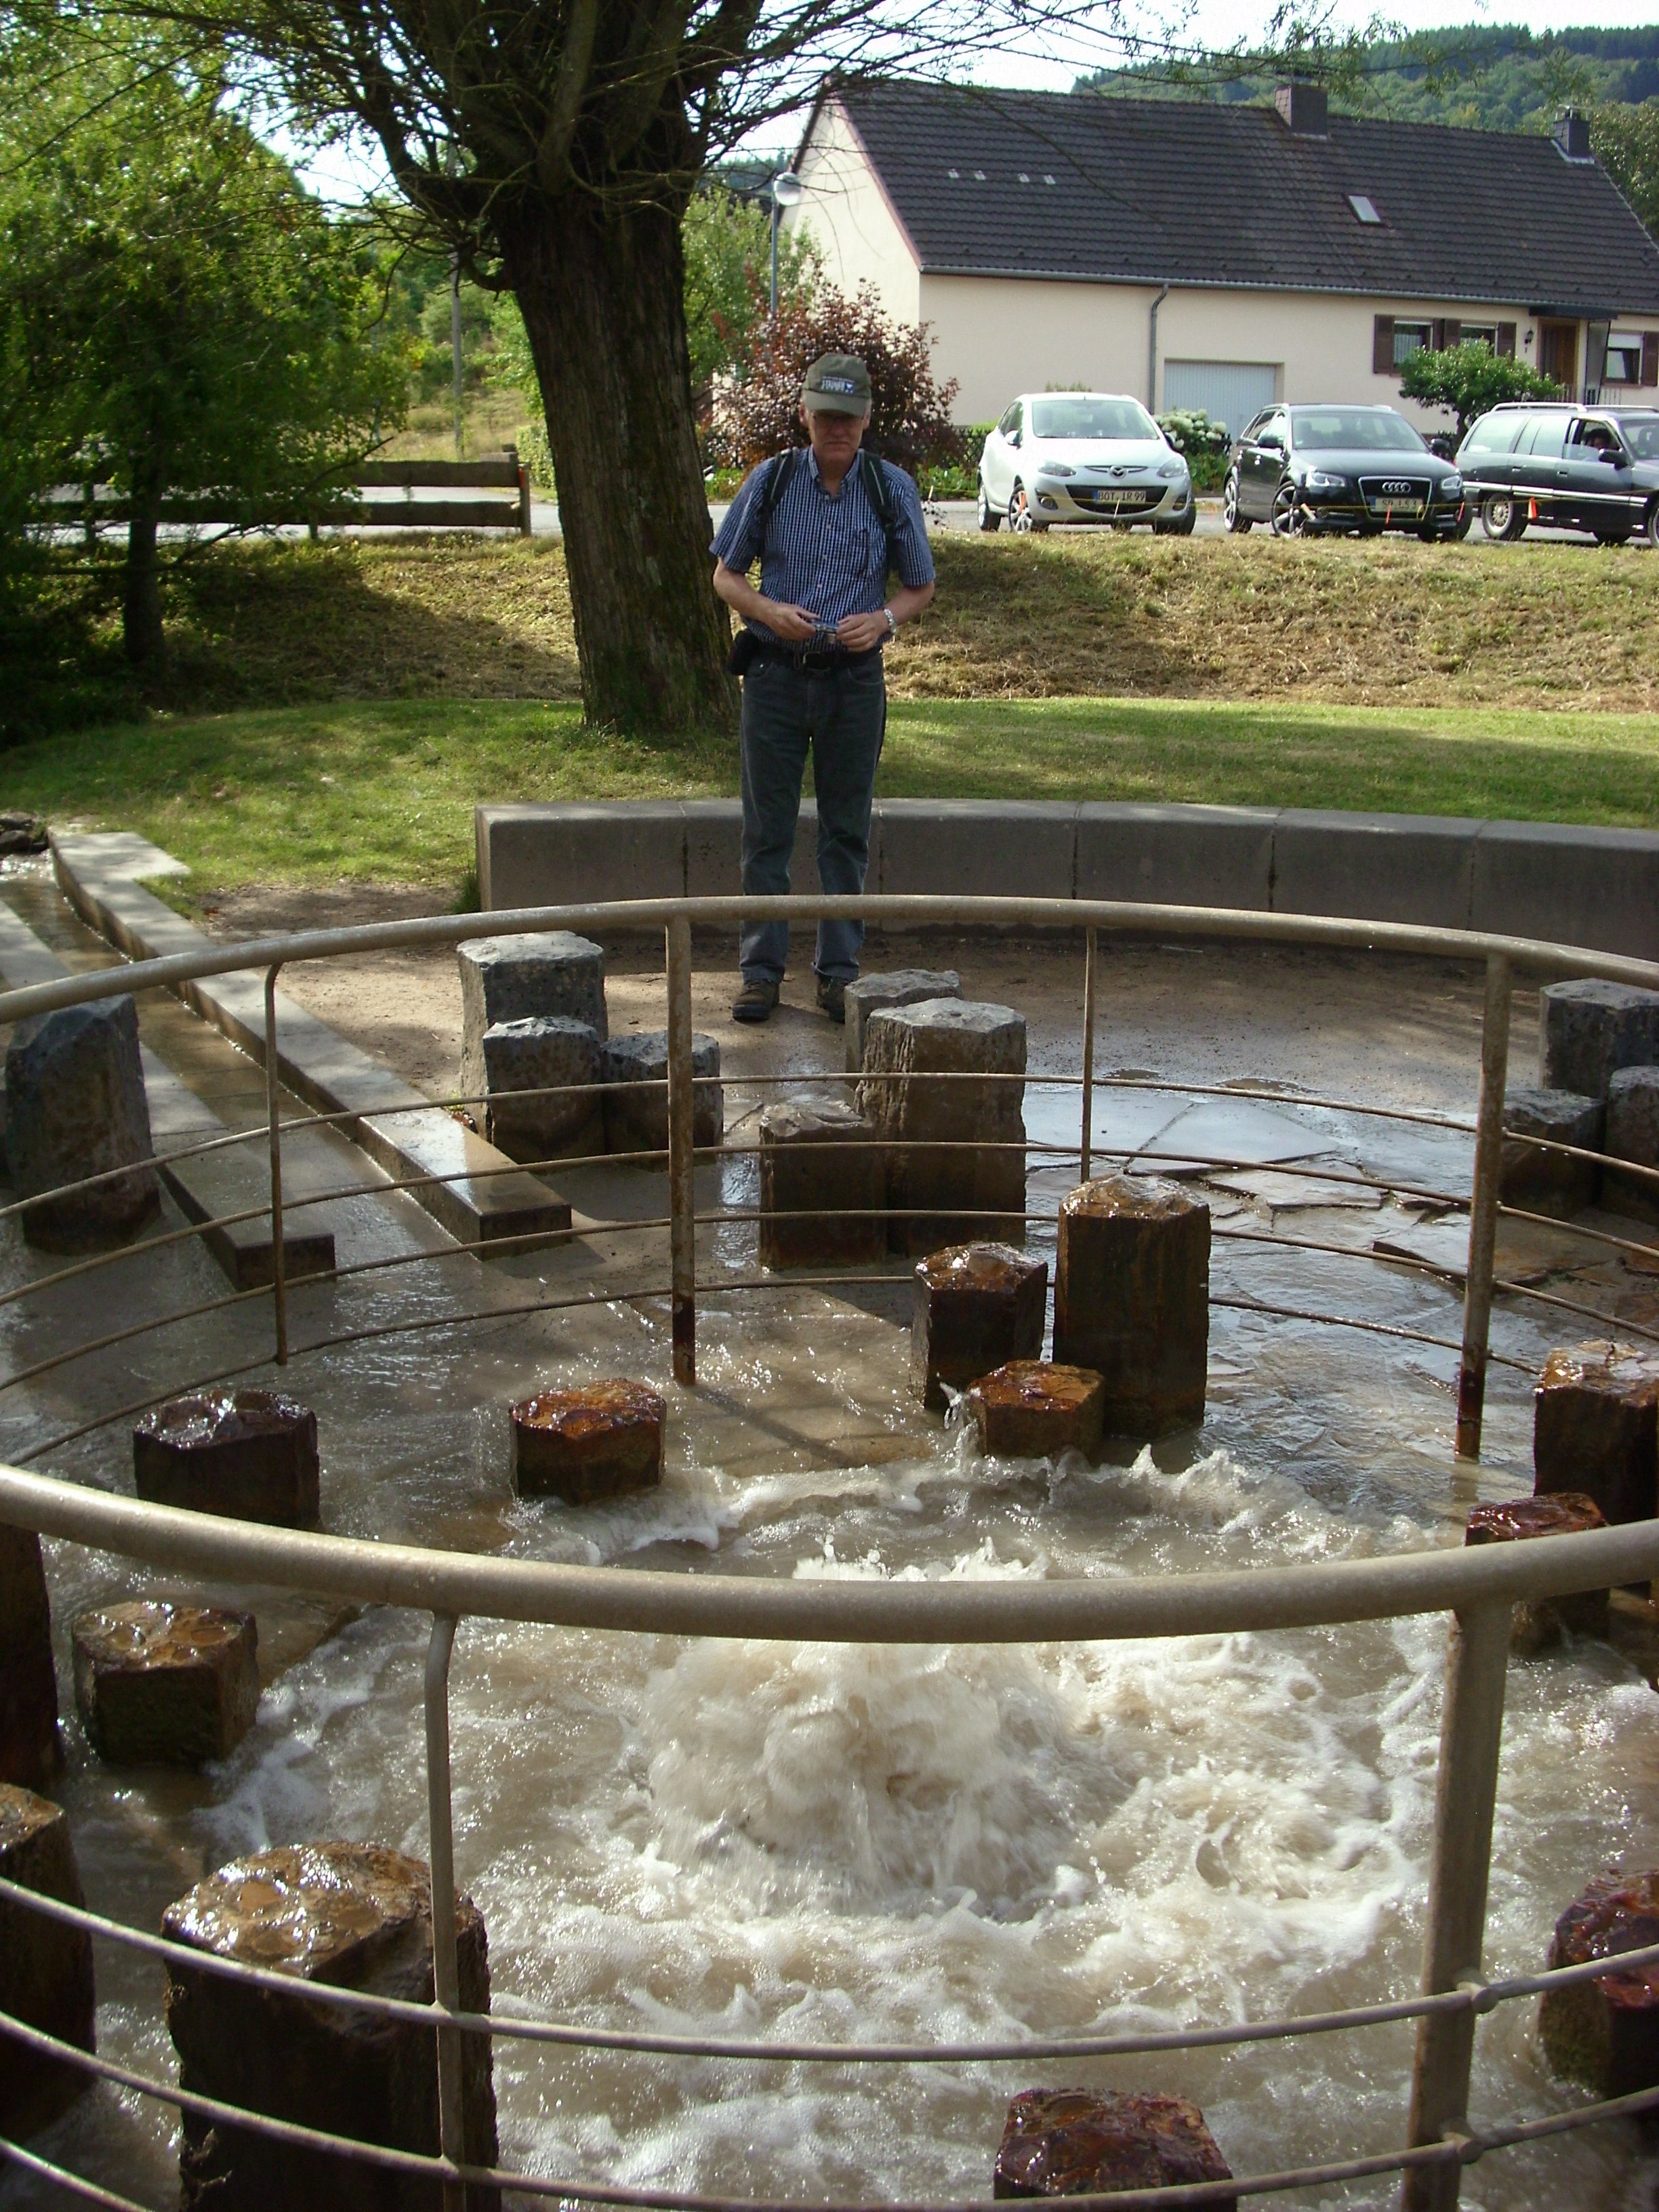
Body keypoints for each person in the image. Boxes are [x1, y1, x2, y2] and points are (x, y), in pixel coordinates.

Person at [710, 353, 936, 1025]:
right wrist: (766, 611)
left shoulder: (889, 487)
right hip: (777, 678)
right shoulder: (772, 480)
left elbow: (921, 584)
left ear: (867, 420)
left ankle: (839, 974)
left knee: (846, 834)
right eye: (826, 415)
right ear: (806, 416)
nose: (838, 428)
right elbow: (726, 574)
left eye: (849, 416)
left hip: (854, 683)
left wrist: (886, 617)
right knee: (766, 834)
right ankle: (760, 973)